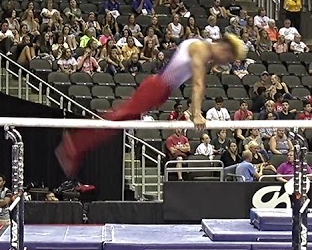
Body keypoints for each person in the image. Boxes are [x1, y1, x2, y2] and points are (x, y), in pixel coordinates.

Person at [57, 34, 247, 176]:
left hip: (160, 91)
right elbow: (198, 83)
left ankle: (76, 146)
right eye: (228, 58)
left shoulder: (205, 52)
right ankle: (74, 145)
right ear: (224, 47)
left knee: (119, 124)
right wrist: (197, 113)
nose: (225, 62)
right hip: (156, 88)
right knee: (116, 120)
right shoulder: (200, 48)